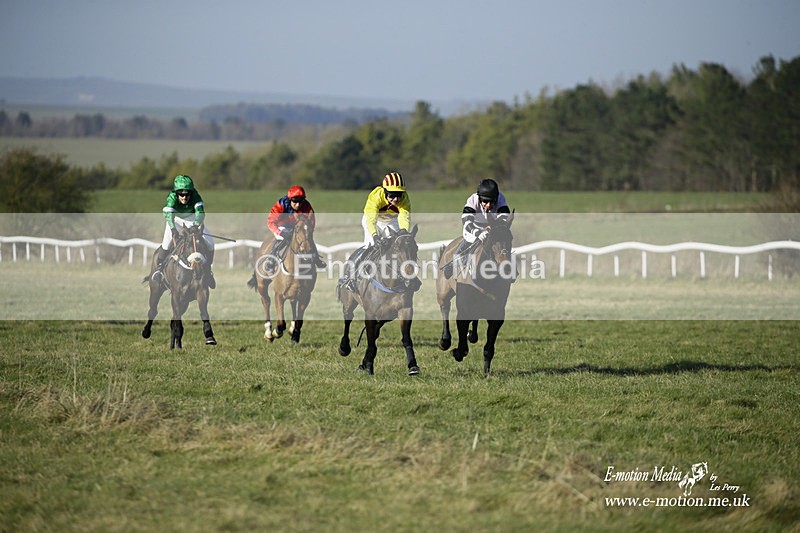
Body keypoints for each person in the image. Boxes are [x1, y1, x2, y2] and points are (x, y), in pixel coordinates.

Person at [339, 171, 411, 292]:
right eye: (392, 195)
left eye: (399, 194)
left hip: (391, 221)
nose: (396, 199)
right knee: (370, 246)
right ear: (385, 192)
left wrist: (403, 234)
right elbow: (371, 220)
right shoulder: (376, 196)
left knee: (399, 246)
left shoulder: (404, 198)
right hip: (373, 221)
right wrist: (375, 236)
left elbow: (404, 218)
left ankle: (404, 277)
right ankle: (350, 277)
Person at [151, 174, 216, 288]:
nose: (184, 197)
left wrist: (196, 224)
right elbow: (169, 214)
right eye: (181, 194)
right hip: (175, 220)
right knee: (165, 244)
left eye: (187, 194)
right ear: (176, 193)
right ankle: (159, 270)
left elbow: (200, 213)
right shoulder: (172, 197)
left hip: (192, 219)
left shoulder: (196, 195)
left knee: (210, 243)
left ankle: (208, 271)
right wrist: (173, 228)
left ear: (191, 192)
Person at [444, 178, 510, 278]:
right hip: (474, 228)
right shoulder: (472, 200)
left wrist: (493, 229)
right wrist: (478, 233)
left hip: (493, 228)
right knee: (471, 241)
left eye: (492, 202)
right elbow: (467, 222)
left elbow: (504, 217)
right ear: (479, 198)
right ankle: (455, 261)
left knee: (503, 243)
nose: (488, 205)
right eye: (485, 201)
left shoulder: (500, 198)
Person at [266, 185, 327, 269]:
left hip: (298, 226)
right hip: (282, 226)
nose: (298, 205)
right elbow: (270, 222)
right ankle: (271, 259)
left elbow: (311, 221)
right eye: (295, 201)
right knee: (281, 238)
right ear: (290, 199)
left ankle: (316, 259)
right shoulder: (281, 204)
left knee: (307, 239)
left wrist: (308, 232)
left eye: (300, 201)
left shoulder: (306, 205)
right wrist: (280, 232)